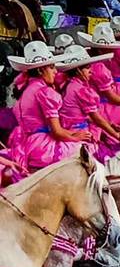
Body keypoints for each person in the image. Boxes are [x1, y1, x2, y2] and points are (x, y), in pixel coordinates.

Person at [6, 41, 91, 171]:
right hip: (44, 148)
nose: (56, 71)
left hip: (27, 144)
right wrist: (76, 137)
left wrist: (74, 133)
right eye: (52, 67)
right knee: (89, 149)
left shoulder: (25, 91)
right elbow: (56, 132)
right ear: (40, 70)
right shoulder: (45, 92)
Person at [57, 45, 120, 161]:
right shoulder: (80, 90)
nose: (91, 70)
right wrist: (117, 136)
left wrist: (111, 124)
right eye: (87, 67)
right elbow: (96, 119)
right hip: (79, 133)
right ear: (78, 71)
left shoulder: (69, 85)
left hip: (74, 130)